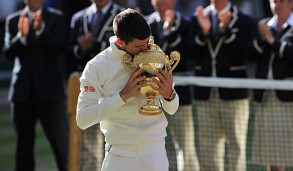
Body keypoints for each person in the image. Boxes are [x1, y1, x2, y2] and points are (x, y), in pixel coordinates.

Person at [76, 8, 179, 171]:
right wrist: (122, 96)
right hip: (119, 157)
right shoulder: (97, 66)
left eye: (147, 42)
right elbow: (82, 119)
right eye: (139, 46)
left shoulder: (156, 52)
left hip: (156, 154)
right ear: (120, 42)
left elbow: (172, 109)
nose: (146, 49)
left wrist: (169, 96)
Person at [187, 0, 253, 170]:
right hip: (205, 93)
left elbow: (246, 53)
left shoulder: (244, 20)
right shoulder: (196, 18)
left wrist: (226, 32)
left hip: (234, 94)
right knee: (208, 149)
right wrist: (206, 32)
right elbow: (190, 53)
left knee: (237, 147)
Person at [3, 0, 68, 170]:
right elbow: (8, 52)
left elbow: (61, 47)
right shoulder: (13, 19)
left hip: (50, 92)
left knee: (62, 147)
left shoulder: (56, 18)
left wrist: (42, 31)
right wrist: (22, 36)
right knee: (23, 150)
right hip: (22, 93)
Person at [67, 0, 123, 170]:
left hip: (115, 87)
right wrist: (81, 47)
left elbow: (126, 48)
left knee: (117, 142)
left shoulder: (122, 15)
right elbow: (69, 49)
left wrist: (95, 45)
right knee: (90, 145)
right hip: (90, 86)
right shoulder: (78, 17)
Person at [146, 0, 199, 170]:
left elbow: (189, 54)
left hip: (179, 95)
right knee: (148, 144)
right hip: (148, 95)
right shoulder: (144, 24)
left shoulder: (187, 23)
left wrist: (170, 31)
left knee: (185, 146)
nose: (162, 2)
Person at [248, 0, 293, 170]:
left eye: (281, 1)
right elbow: (250, 55)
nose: (277, 5)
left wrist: (272, 41)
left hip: (292, 100)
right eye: (274, 1)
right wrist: (264, 39)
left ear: (291, 4)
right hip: (267, 98)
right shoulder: (265, 26)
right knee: (273, 156)